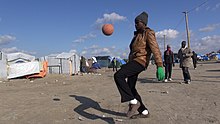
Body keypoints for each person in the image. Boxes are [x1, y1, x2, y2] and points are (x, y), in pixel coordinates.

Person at [114, 11, 165, 119]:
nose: (135, 25)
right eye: (135, 23)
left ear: (143, 23)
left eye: (137, 22)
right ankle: (144, 112)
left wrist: (159, 65)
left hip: (140, 61)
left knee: (118, 75)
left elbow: (155, 49)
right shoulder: (137, 35)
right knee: (131, 88)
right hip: (134, 61)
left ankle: (133, 102)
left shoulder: (148, 33)